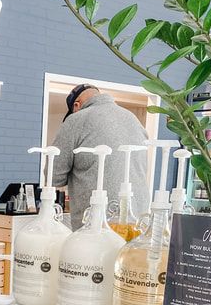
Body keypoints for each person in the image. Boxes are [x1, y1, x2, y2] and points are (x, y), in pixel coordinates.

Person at [52, 84, 150, 230]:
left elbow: (54, 176)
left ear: (76, 105)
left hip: (97, 223)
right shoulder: (133, 119)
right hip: (138, 220)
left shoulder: (75, 120)